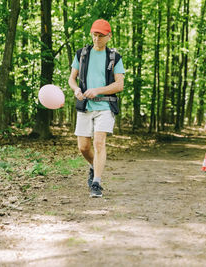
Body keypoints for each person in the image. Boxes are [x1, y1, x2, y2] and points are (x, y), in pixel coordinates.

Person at [68, 19, 125, 197]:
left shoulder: (115, 57)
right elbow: (71, 79)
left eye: (101, 36)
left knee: (99, 143)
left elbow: (119, 85)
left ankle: (96, 183)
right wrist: (76, 89)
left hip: (105, 105)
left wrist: (98, 91)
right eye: (94, 35)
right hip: (85, 106)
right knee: (83, 147)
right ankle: (94, 166)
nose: (97, 39)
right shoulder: (82, 54)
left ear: (109, 36)